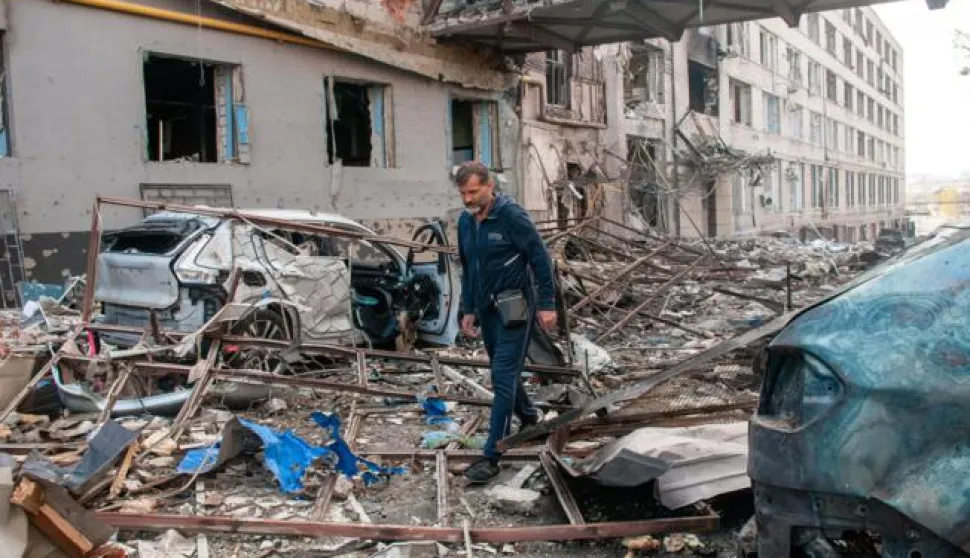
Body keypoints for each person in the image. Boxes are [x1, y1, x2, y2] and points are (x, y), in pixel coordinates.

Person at [454, 161, 558, 484]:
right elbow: (469, 269)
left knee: (501, 376)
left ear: (489, 187)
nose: (468, 199)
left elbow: (540, 258)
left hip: (516, 309)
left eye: (473, 192)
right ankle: (529, 419)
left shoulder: (511, 216)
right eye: (463, 194)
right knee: (505, 374)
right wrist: (466, 309)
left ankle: (491, 455)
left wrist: (547, 304)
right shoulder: (466, 223)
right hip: (487, 311)